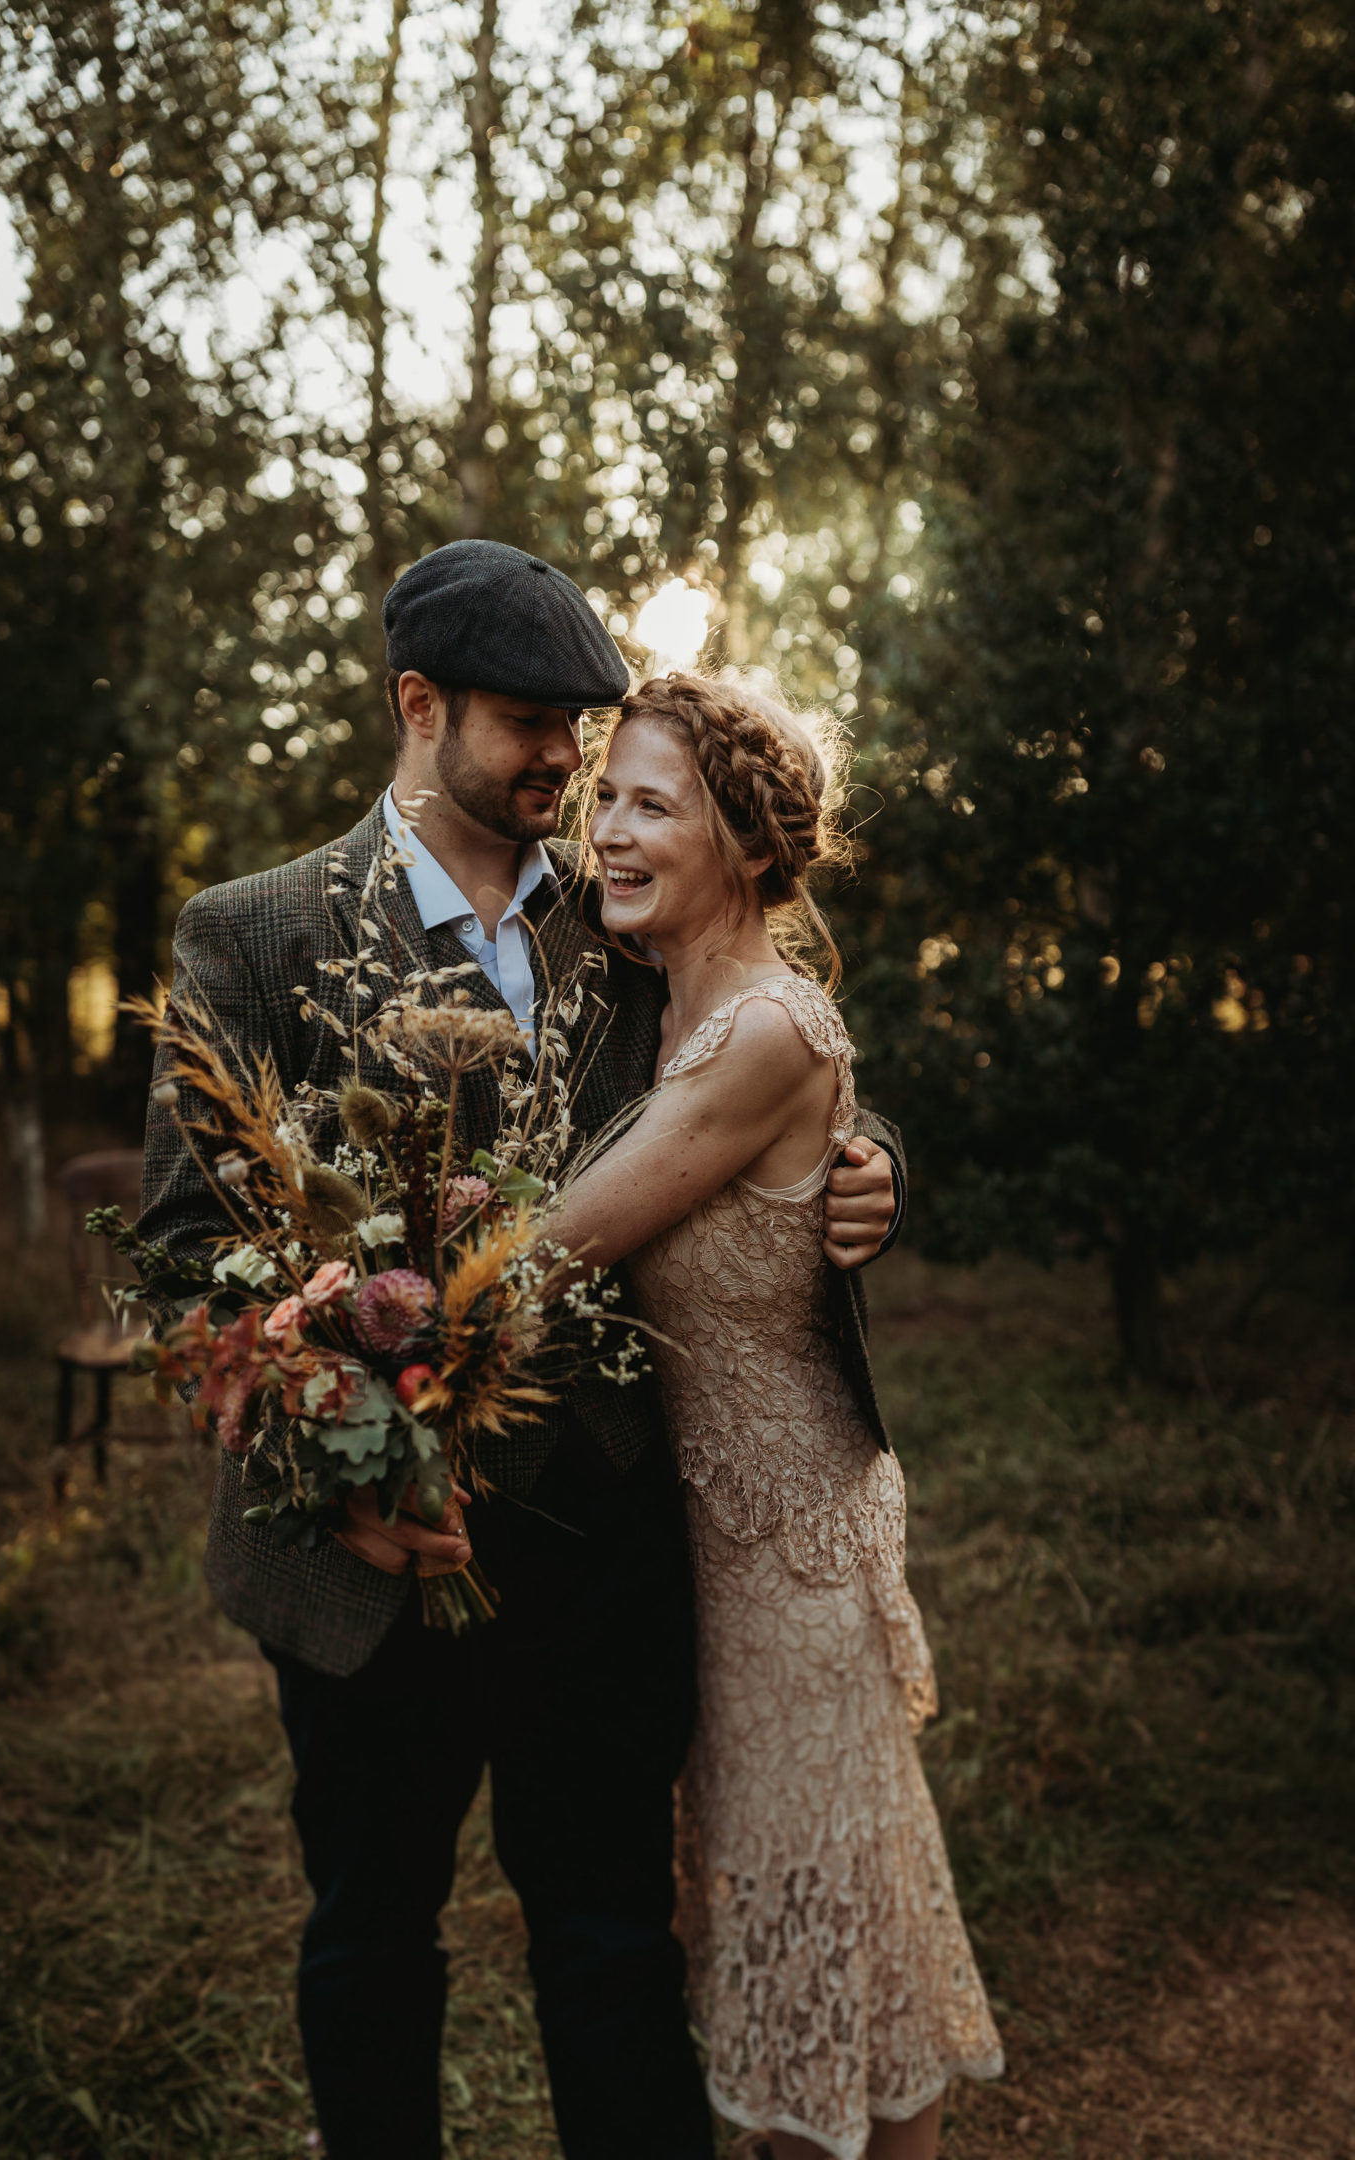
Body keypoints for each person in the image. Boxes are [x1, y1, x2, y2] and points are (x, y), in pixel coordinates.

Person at [138, 539, 905, 2160]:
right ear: (420, 706)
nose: (568, 757)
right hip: (356, 1565)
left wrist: (869, 1155)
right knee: (369, 1942)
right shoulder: (254, 935)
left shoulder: (628, 907)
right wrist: (329, 1465)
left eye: (582, 719)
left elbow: (757, 1042)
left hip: (599, 1551)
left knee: (616, 1949)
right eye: (527, 721)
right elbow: (189, 1268)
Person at [550, 671, 1004, 2160]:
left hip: (789, 1555)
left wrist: (364, 1296)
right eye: (605, 794)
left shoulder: (764, 1031)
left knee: (827, 1926)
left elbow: (559, 1240)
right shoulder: (644, 989)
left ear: (745, 844)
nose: (609, 828)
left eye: (652, 804)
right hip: (693, 1555)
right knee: (788, 1912)